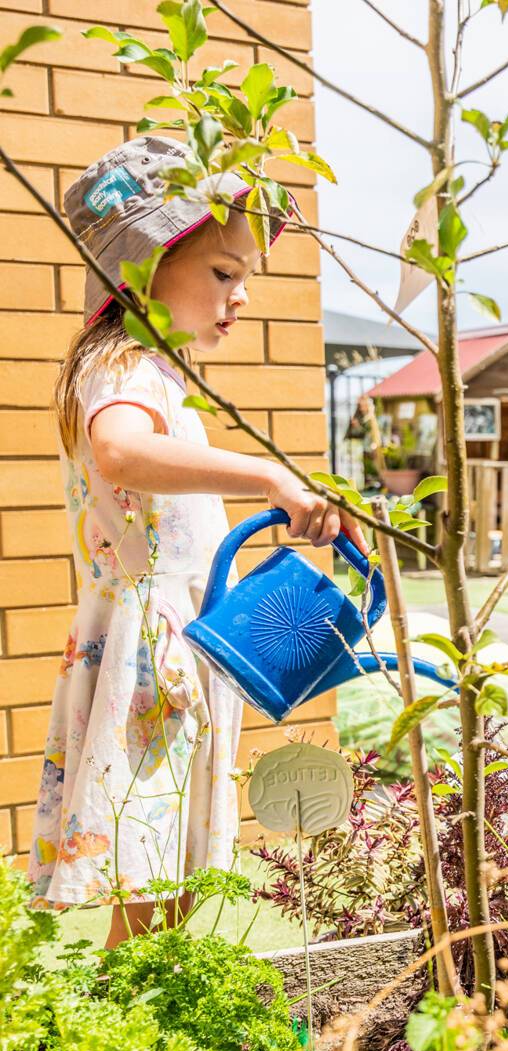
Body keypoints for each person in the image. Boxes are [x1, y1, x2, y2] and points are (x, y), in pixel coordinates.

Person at [29, 137, 361, 947]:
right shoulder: (126, 366)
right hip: (148, 650)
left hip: (170, 643)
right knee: (148, 876)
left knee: (169, 871)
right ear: (138, 272)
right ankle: (133, 1021)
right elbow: (120, 451)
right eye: (223, 273)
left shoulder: (155, 374)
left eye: (244, 278)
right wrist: (266, 476)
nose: (240, 297)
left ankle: (147, 1010)